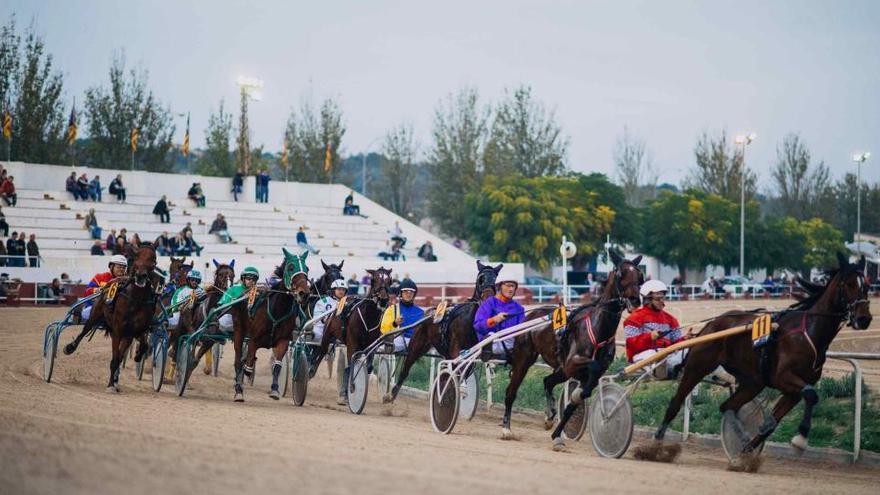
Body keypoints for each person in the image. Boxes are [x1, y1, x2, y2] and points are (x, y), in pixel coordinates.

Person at [623, 280, 687, 379]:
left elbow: (676, 343)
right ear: (647, 300)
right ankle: (662, 369)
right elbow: (631, 345)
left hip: (667, 354)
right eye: (658, 298)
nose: (662, 301)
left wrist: (685, 339)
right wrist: (650, 337)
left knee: (688, 351)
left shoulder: (671, 319)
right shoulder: (633, 318)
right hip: (644, 356)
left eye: (662, 298)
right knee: (658, 355)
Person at [474, 278, 525, 360]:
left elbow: (522, 332)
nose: (511, 289)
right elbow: (478, 325)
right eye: (508, 286)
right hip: (491, 343)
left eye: (513, 286)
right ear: (500, 286)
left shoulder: (519, 308)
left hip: (512, 345)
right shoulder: (489, 303)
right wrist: (494, 319)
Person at [379, 279, 424, 352]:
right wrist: (394, 323)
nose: (408, 294)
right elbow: (384, 329)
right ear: (401, 293)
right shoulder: (392, 309)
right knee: (381, 349)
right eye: (405, 291)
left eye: (411, 292)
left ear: (414, 294)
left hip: (416, 341)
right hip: (398, 339)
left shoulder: (421, 312)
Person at [80, 255, 128, 322]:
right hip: (98, 309)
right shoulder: (99, 277)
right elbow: (87, 291)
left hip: (118, 312)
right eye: (119, 267)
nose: (122, 270)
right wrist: (98, 290)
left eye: (124, 268)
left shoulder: (127, 281)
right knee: (85, 314)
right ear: (111, 267)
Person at [216, 267, 260, 333]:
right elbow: (222, 306)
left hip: (250, 319)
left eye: (254, 279)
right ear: (243, 278)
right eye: (248, 278)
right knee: (224, 322)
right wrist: (233, 302)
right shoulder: (234, 288)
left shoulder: (257, 292)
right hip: (231, 318)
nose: (251, 281)